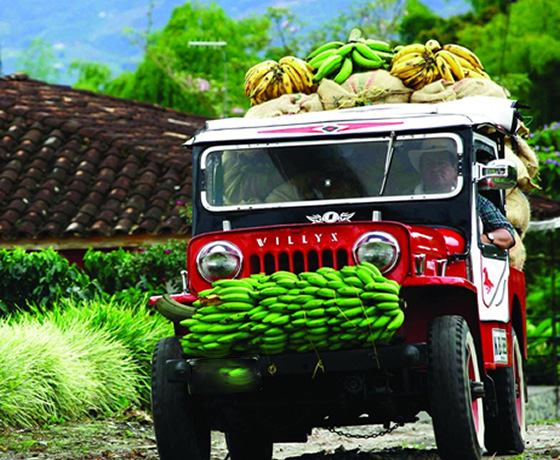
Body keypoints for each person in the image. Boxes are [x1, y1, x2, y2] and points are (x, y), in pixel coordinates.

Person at [409, 139, 515, 250]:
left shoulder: (473, 199)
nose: (435, 169)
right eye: (429, 164)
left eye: (441, 163)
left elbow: (508, 235)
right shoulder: (408, 199)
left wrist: (482, 239)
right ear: (420, 170)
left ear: (455, 168)